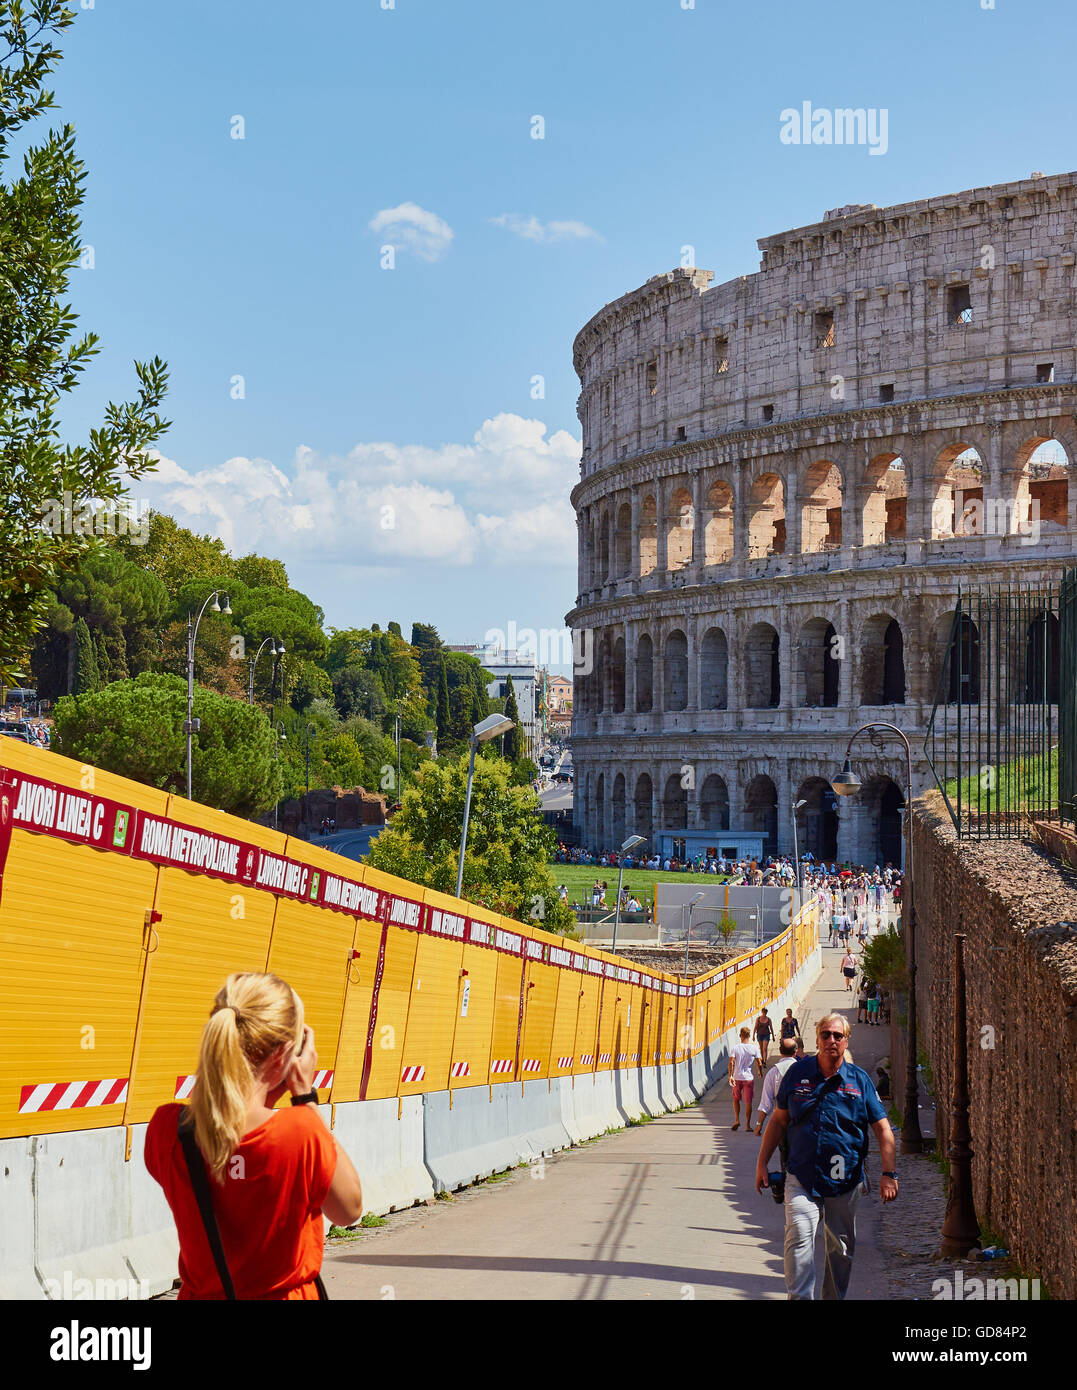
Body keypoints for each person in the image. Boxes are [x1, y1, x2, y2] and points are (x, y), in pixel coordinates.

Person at [144, 972, 363, 1299]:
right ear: (283, 1056)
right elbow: (349, 1209)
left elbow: (225, 1171)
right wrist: (305, 1096)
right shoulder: (300, 1132)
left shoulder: (167, 1129)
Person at [755, 1013, 897, 1300]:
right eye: (826, 1035)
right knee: (798, 1236)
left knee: (840, 1248)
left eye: (838, 1035)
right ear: (817, 1039)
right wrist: (761, 1163)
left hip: (846, 1179)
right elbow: (778, 1121)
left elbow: (882, 1128)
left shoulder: (860, 1081)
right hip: (802, 1175)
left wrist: (888, 1174)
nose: (831, 1040)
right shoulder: (797, 1074)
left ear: (846, 1041)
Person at [728, 1026, 761, 1131]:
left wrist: (730, 1075)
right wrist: (760, 1072)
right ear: (749, 1036)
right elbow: (759, 1063)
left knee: (736, 1099)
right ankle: (747, 1125)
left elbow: (731, 1062)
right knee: (748, 1102)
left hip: (737, 1077)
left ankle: (737, 1120)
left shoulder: (736, 1048)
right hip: (748, 1078)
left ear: (740, 1035)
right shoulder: (754, 1048)